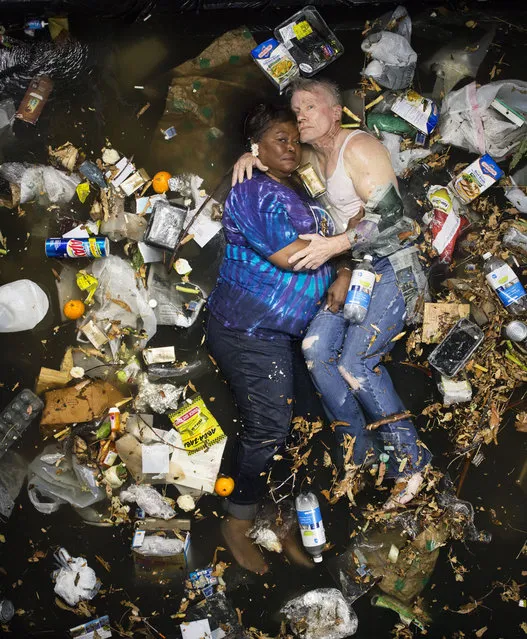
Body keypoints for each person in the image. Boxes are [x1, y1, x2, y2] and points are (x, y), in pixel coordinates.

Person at [232, 78, 432, 509]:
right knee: (314, 349)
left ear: (335, 111)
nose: (299, 114)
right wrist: (247, 155)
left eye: (308, 106)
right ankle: (358, 455)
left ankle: (412, 462)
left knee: (355, 361)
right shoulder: (310, 155)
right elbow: (273, 148)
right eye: (295, 108)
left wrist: (334, 245)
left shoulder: (358, 148)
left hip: (394, 266)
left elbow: (394, 217)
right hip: (357, 269)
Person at [207, 102, 350, 573]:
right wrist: (346, 250)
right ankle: (237, 520)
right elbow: (291, 257)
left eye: (294, 138)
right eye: (278, 141)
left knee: (301, 430)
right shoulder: (253, 193)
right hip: (248, 330)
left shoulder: (297, 189)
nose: (290, 147)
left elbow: (323, 239)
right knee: (269, 427)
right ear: (256, 149)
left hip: (289, 334)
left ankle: (280, 515)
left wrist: (344, 267)